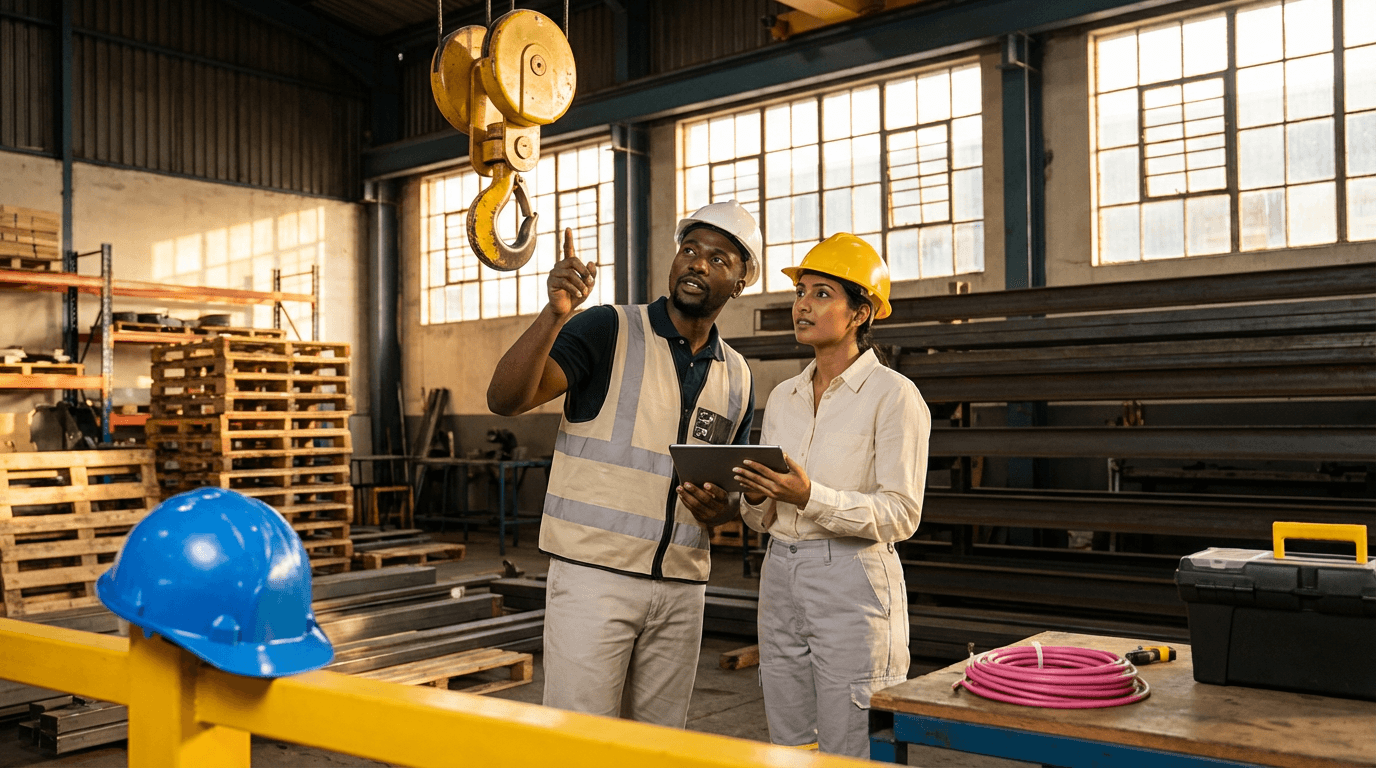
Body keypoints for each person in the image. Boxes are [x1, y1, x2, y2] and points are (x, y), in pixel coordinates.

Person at [486, 201, 761, 727]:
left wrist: (718, 509)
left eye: (719, 258)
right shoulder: (607, 330)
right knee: (579, 745)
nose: (698, 264)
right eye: (690, 250)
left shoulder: (740, 376)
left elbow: (730, 494)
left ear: (740, 281)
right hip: (594, 580)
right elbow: (505, 399)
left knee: (660, 748)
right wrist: (554, 315)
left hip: (682, 590)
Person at [733, 233, 930, 758]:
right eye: (801, 291)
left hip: (851, 578)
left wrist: (809, 496)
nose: (802, 304)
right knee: (789, 735)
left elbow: (902, 513)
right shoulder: (784, 397)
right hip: (780, 574)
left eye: (822, 293)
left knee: (852, 737)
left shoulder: (894, 396)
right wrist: (756, 497)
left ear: (861, 311)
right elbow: (764, 517)